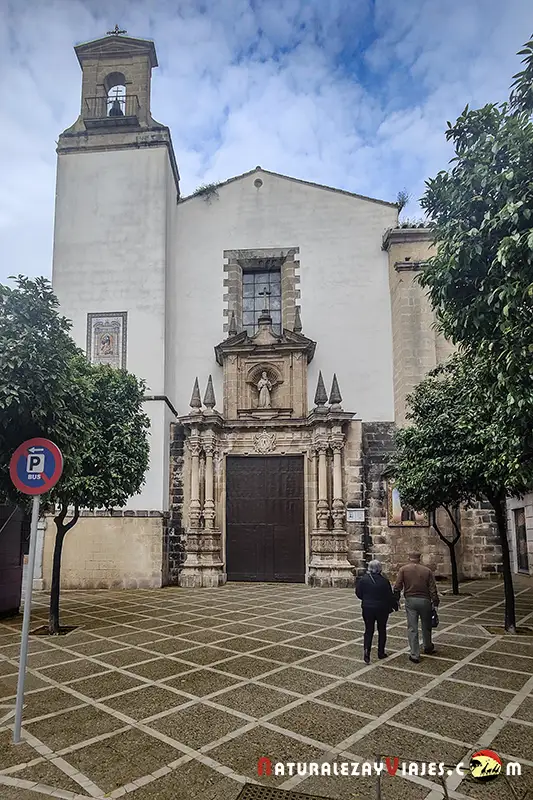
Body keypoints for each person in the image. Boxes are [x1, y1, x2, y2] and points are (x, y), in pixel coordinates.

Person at [394, 551, 439, 663]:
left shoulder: (403, 570)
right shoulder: (427, 571)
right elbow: (433, 588)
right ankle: (428, 646)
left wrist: (396, 599)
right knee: (426, 625)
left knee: (412, 627)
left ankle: (415, 654)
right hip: (425, 600)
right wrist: (435, 602)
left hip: (411, 600)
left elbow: (397, 586)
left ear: (409, 558)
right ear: (420, 558)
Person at [355, 560, 398, 664]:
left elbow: (358, 593)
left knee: (369, 630)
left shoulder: (363, 580)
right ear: (380, 569)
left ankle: (366, 651)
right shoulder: (384, 581)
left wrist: (366, 599)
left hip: (367, 608)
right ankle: (381, 652)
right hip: (382, 609)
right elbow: (389, 595)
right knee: (382, 629)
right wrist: (394, 605)